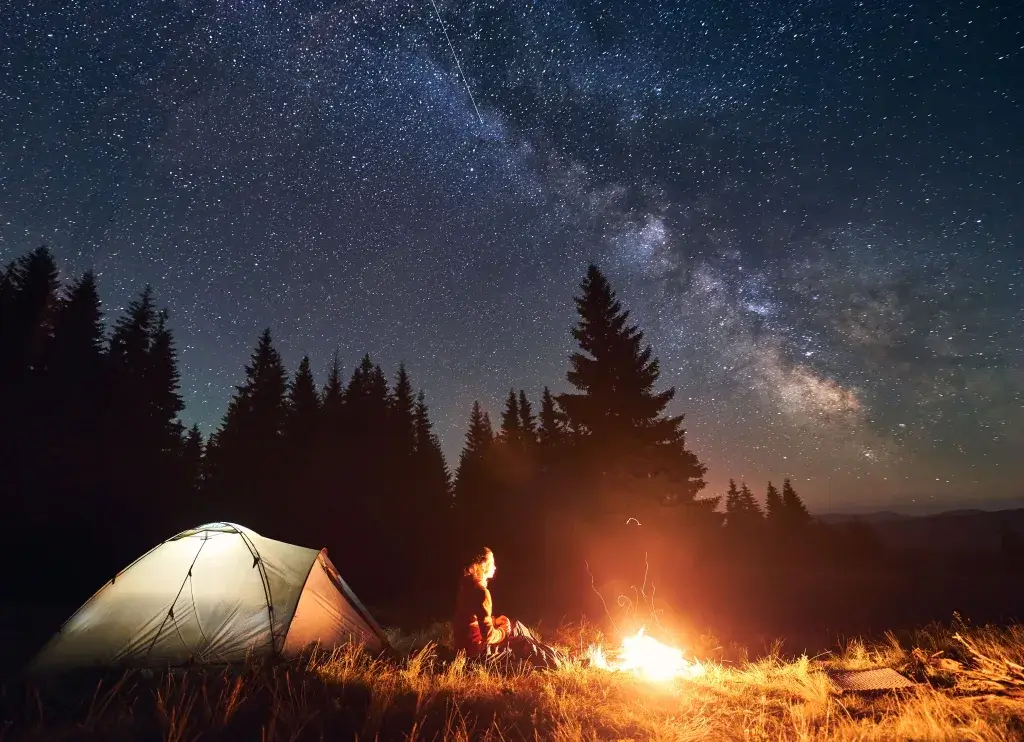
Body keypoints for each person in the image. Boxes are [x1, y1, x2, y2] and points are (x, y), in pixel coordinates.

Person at [452, 547, 563, 669]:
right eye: (492, 563)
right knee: (524, 642)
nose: (494, 567)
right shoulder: (481, 592)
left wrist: (495, 622)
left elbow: (471, 622)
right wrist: (503, 632)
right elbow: (488, 636)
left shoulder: (466, 587)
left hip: (469, 650)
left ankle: (559, 657)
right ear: (483, 565)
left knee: (516, 625)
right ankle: (559, 663)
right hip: (479, 655)